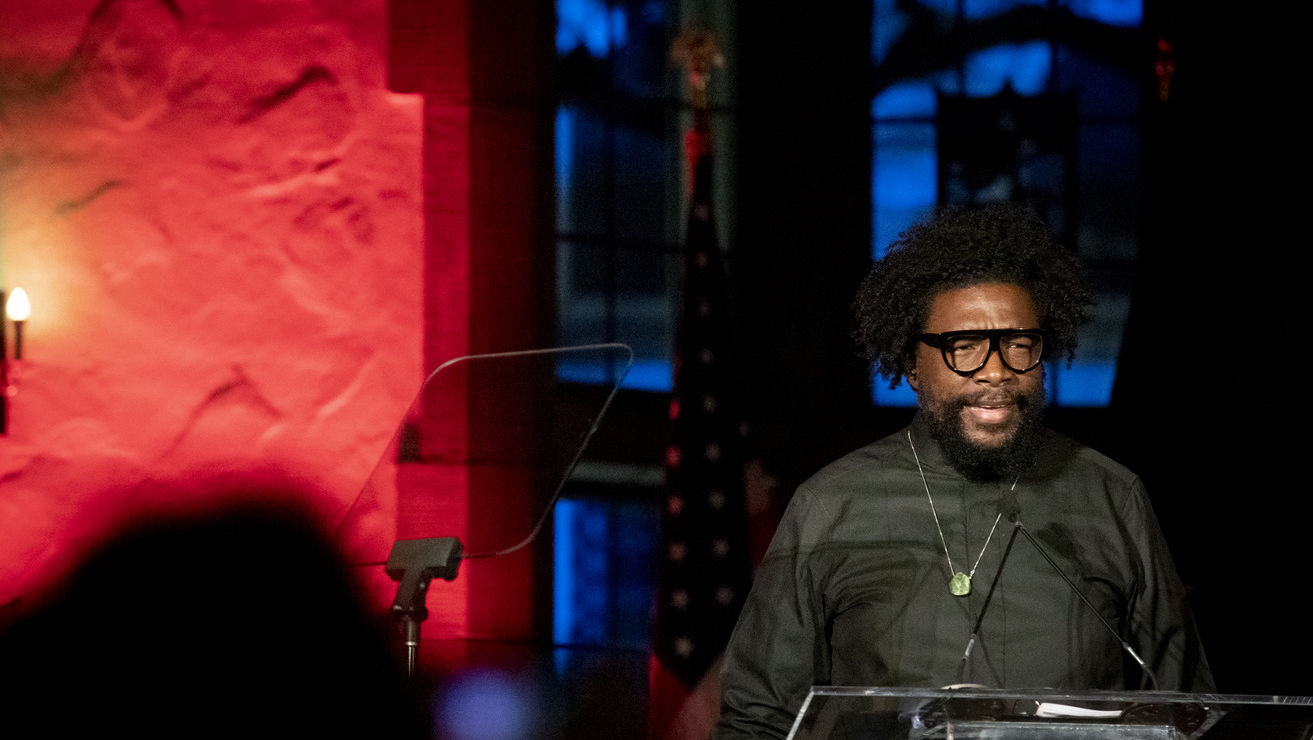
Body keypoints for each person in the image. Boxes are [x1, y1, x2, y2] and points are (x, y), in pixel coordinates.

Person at [713, 203, 1214, 738]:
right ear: (910, 365)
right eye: (964, 348)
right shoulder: (832, 503)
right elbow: (757, 718)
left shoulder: (1114, 497)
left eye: (1020, 345)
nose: (996, 371)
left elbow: (1187, 712)